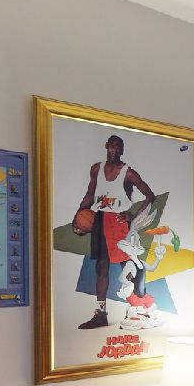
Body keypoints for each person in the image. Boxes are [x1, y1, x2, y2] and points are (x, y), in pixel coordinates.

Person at [74, 134, 156, 329]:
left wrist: (132, 215)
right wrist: (77, 215)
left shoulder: (128, 173)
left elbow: (149, 195)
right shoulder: (96, 169)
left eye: (118, 147)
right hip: (100, 220)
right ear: (106, 146)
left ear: (122, 150)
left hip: (118, 222)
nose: (114, 150)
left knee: (129, 266)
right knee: (101, 267)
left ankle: (143, 307)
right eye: (111, 146)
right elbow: (90, 194)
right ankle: (101, 314)